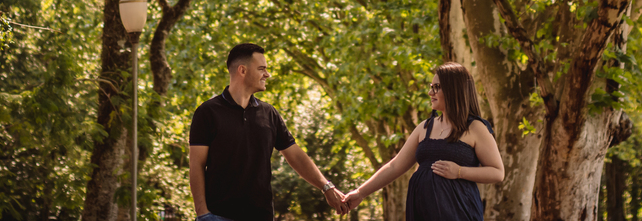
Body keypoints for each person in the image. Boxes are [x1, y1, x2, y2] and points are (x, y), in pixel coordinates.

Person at [189, 43, 347, 221]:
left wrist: (326, 187)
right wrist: (203, 213)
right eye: (262, 68)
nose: (267, 74)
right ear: (243, 70)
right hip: (218, 216)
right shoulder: (208, 112)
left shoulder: (269, 113)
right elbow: (197, 164)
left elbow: (295, 155)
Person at [343, 62, 504, 220]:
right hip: (421, 211)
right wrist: (360, 193)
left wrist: (460, 171)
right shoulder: (424, 128)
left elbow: (497, 172)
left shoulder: (475, 127)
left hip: (460, 211)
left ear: (454, 90)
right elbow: (394, 166)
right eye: (431, 86)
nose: (430, 92)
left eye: (436, 87)